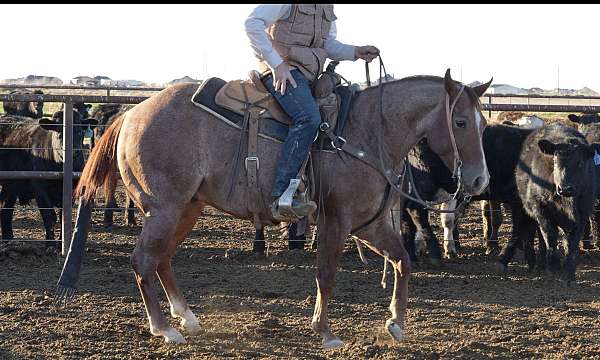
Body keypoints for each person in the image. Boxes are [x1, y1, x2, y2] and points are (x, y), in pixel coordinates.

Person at [245, 4, 379, 220]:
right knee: (308, 118)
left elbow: (328, 45)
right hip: (282, 72)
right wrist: (276, 65)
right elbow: (252, 24)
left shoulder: (326, 7)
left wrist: (355, 51)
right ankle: (282, 196)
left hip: (309, 76)